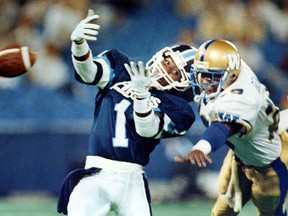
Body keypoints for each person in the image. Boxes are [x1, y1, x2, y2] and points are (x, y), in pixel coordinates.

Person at [57, 9, 197, 216]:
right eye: (168, 62)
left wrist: (141, 97)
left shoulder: (179, 108)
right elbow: (88, 72)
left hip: (132, 180)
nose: (166, 70)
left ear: (183, 85)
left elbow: (147, 129)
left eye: (175, 72)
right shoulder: (121, 66)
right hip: (97, 174)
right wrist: (78, 45)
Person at [175, 39, 288, 215]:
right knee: (222, 211)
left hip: (271, 163)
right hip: (241, 154)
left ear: (231, 75)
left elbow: (223, 127)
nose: (205, 81)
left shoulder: (242, 97)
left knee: (271, 213)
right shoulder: (229, 67)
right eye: (202, 74)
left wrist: (201, 147)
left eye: (212, 76)